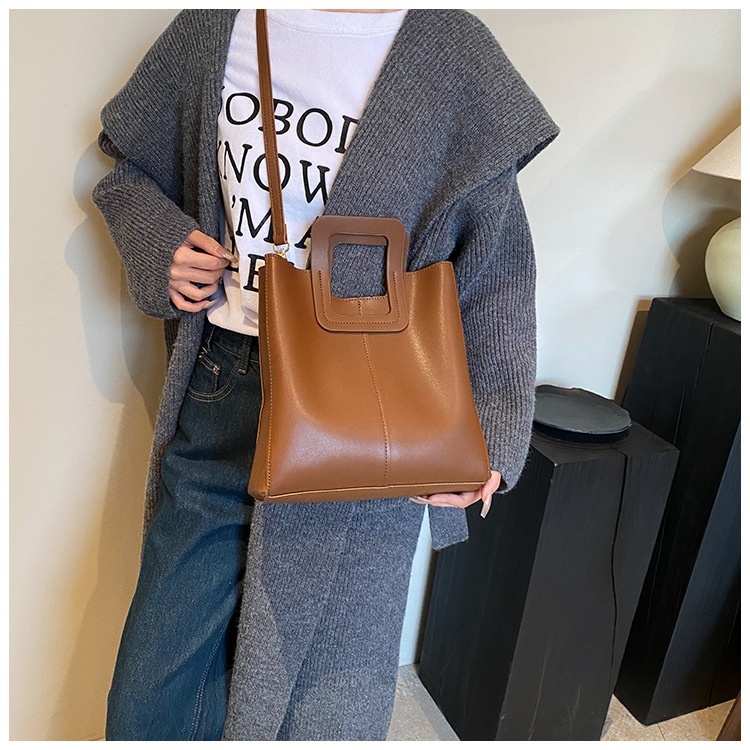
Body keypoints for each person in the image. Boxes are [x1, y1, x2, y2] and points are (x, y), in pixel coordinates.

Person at [92, 8, 558, 741]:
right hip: (226, 385)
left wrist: (491, 434)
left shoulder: (450, 48)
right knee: (155, 692)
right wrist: (161, 243)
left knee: (326, 689)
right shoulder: (217, 26)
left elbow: (496, 263)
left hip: (376, 406)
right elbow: (127, 176)